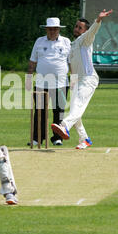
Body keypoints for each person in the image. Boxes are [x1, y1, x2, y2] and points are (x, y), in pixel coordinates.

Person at [51, 9, 113, 149]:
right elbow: (71, 66)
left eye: (80, 28)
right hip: (76, 81)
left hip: (88, 79)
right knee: (75, 111)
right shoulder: (72, 45)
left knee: (77, 107)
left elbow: (92, 32)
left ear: (84, 31)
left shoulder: (86, 40)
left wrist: (98, 20)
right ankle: (85, 139)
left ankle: (64, 125)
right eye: (76, 26)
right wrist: (71, 82)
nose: (77, 29)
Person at [25, 17, 71, 146]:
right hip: (41, 83)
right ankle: (37, 138)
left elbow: (71, 62)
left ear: (58, 29)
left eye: (55, 29)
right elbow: (32, 61)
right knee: (39, 111)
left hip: (61, 83)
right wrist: (28, 78)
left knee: (59, 111)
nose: (52, 31)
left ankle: (57, 138)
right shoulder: (39, 41)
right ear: (46, 29)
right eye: (50, 29)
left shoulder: (66, 42)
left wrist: (74, 78)